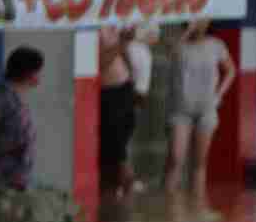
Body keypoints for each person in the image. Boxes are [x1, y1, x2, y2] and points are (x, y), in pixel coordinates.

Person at [164, 18, 236, 190]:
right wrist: (188, 31)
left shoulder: (216, 45)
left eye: (202, 18)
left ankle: (197, 207)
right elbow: (170, 53)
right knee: (175, 158)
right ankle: (167, 210)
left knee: (199, 163)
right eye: (194, 18)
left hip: (206, 109)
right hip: (180, 109)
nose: (198, 22)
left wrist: (219, 94)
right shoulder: (179, 43)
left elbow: (231, 70)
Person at [0, 47, 46, 190]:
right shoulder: (4, 96)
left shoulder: (15, 97)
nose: (40, 75)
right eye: (38, 71)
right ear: (28, 73)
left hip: (14, 180)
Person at [93, 26, 150, 194]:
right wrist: (122, 43)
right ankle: (125, 179)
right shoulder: (94, 29)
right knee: (114, 145)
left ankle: (122, 183)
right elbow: (99, 63)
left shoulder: (115, 26)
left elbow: (125, 56)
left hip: (124, 89)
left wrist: (136, 85)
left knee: (122, 138)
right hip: (107, 92)